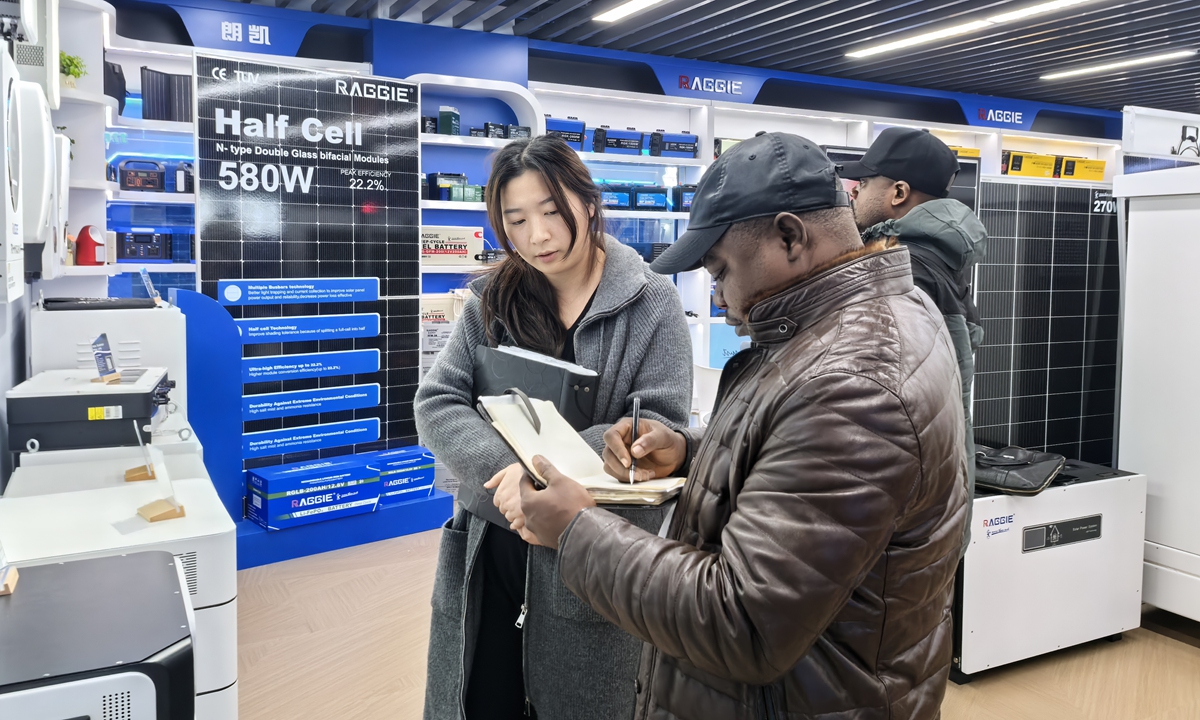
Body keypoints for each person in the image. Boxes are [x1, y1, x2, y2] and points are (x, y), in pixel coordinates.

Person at [502, 132, 968, 720]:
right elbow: (796, 458)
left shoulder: (853, 382)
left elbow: (742, 620)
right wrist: (693, 451)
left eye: (721, 271)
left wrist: (576, 529)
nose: (718, 297)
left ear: (789, 236)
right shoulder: (866, 321)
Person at [415, 134, 693, 720]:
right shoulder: (492, 297)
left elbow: (656, 423)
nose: (537, 236)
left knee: (579, 698)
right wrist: (509, 476)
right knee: (478, 693)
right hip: (490, 540)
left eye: (550, 211)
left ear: (588, 203)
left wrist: (546, 470)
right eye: (515, 220)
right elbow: (437, 401)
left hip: (589, 553)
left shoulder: (653, 302)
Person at [840, 127, 988, 554]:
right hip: (927, 497)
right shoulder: (933, 259)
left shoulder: (905, 267)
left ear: (899, 192)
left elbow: (897, 404)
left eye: (864, 183)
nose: (854, 192)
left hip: (904, 508)